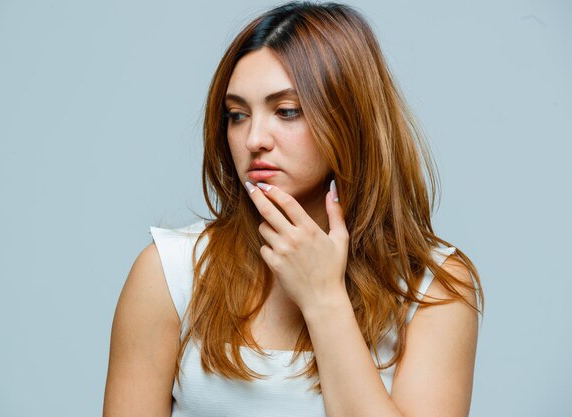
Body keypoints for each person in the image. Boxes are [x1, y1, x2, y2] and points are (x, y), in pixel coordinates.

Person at [102, 1, 484, 416]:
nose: (254, 139)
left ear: (351, 118)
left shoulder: (434, 288)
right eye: (237, 115)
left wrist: (324, 300)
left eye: (286, 111)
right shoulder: (171, 272)